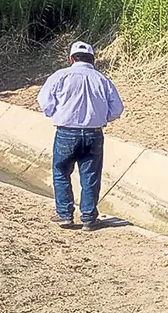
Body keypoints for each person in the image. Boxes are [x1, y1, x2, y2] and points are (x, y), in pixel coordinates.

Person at [38, 41, 124, 231]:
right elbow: (117, 109)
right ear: (93, 60)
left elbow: (44, 101)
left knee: (61, 172)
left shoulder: (60, 76)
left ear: (71, 58)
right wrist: (103, 118)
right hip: (94, 133)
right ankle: (88, 217)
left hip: (66, 131)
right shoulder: (102, 79)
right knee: (90, 176)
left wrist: (56, 114)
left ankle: (64, 215)